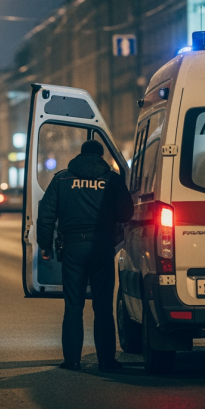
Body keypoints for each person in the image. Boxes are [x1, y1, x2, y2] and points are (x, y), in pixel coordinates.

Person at [37, 139, 134, 372]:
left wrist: (45, 246)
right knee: (102, 307)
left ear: (80, 156)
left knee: (73, 305)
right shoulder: (111, 179)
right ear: (101, 157)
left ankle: (72, 360)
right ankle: (106, 361)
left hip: (72, 249)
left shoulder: (62, 179)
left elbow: (46, 213)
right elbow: (126, 213)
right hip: (102, 247)